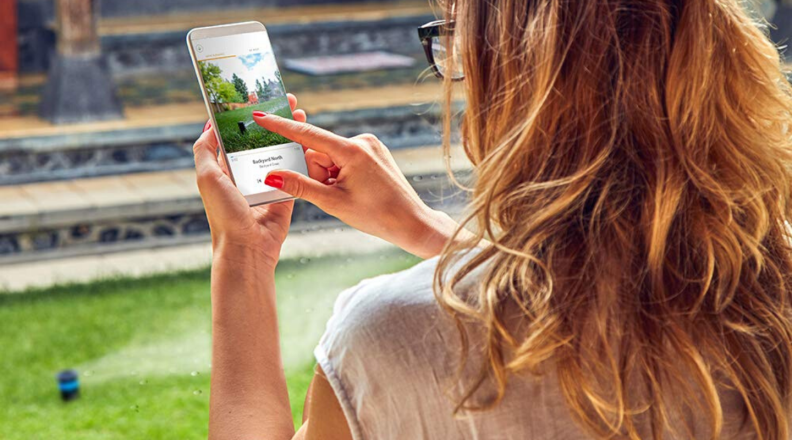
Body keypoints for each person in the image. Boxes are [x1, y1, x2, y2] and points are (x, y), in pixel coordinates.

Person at [191, 0, 792, 439]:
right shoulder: (770, 294)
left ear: (516, 75)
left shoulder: (393, 337)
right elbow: (590, 289)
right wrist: (426, 230)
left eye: (455, 37)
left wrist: (242, 256)